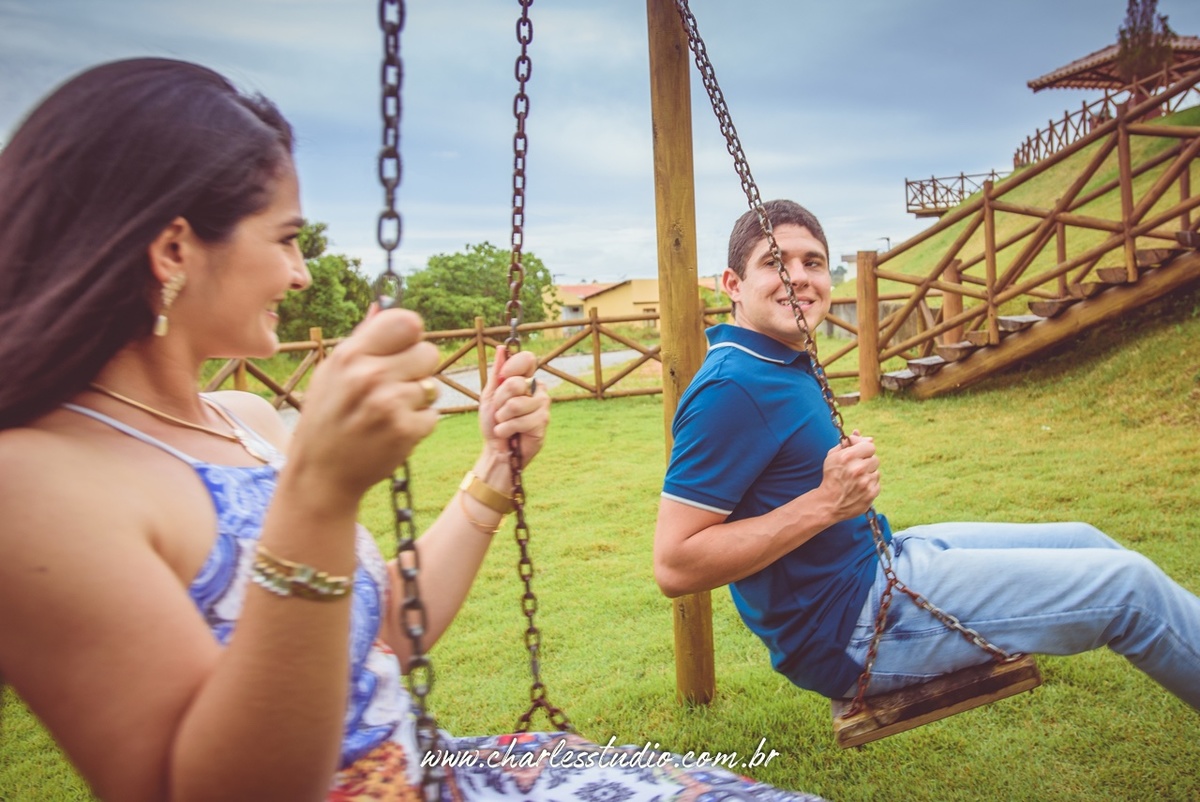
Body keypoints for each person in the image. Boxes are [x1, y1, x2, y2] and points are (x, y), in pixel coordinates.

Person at [0, 59, 826, 801]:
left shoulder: (244, 418)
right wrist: (319, 498)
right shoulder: (36, 486)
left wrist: (493, 477)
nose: (300, 271)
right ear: (175, 248)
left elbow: (378, 626)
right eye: (286, 238)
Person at [654, 198, 1200, 710]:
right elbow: (675, 564)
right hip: (850, 627)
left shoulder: (776, 359)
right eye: (775, 262)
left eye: (813, 262)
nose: (799, 276)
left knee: (1084, 539)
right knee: (1129, 589)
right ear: (733, 284)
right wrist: (825, 503)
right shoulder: (731, 386)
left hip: (881, 559)